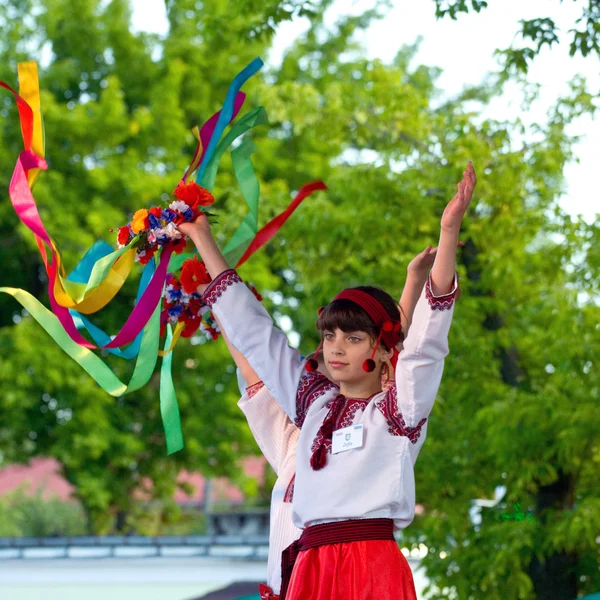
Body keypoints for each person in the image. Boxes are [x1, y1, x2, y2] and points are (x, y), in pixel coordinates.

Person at [180, 162, 476, 599]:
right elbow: (257, 335)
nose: (335, 347)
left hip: (371, 566)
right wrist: (202, 236)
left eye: (353, 337)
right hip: (309, 566)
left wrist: (448, 233)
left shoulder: (397, 411)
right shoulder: (312, 403)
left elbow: (427, 342)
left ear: (380, 350)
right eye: (329, 335)